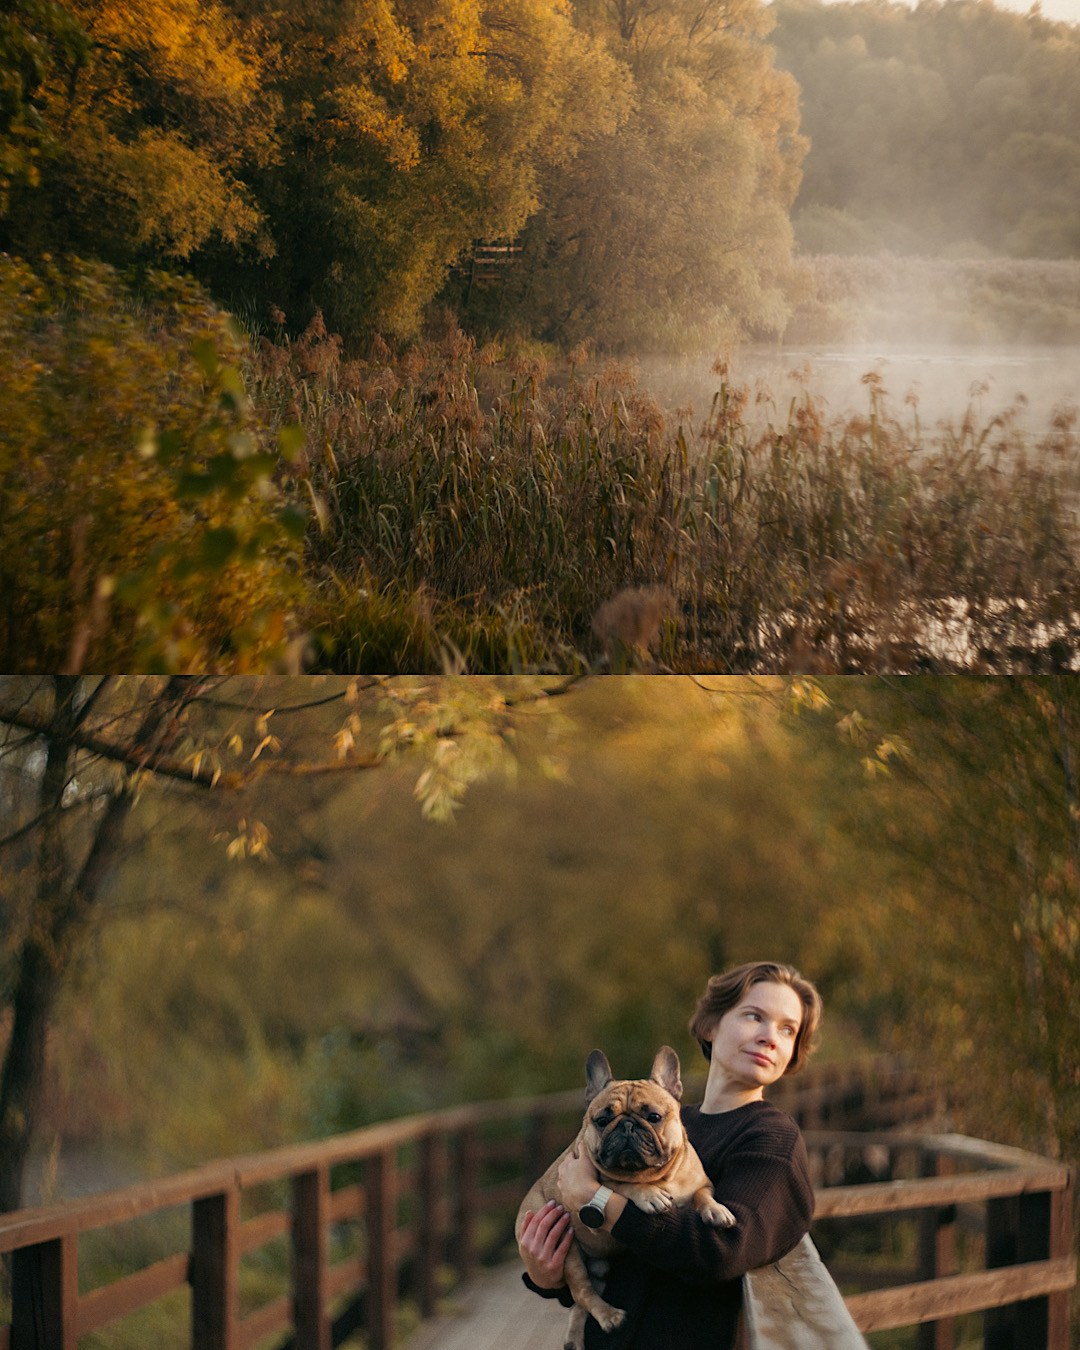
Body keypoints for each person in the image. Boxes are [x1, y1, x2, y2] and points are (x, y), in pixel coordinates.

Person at [517, 961, 823, 1349]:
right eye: (754, 1016)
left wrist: (599, 1199)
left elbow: (723, 1253)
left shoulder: (770, 1140)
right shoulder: (668, 1120)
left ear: (794, 1049)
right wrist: (547, 1275)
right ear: (711, 1024)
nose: (769, 1036)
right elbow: (630, 1259)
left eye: (787, 1029)